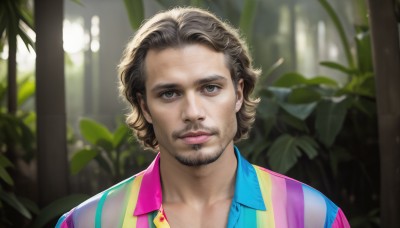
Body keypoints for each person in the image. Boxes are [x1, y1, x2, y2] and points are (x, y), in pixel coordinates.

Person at [56, 6, 350, 228]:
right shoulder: (88, 222)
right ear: (144, 106)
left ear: (238, 93)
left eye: (210, 88)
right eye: (169, 93)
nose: (193, 113)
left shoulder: (314, 217)